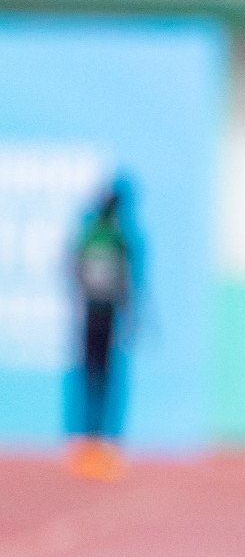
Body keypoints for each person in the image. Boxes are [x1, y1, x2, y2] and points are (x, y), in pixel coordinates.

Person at [70, 181, 136, 479]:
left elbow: (75, 270)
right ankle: (96, 445)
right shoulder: (118, 238)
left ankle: (90, 445)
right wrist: (130, 313)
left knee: (92, 379)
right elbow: (125, 282)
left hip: (92, 314)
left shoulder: (90, 233)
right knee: (103, 380)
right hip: (104, 315)